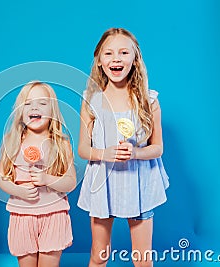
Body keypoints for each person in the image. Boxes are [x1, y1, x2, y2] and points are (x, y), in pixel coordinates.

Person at [77, 28, 169, 267]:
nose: (116, 58)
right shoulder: (91, 100)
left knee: (142, 257)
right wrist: (104, 153)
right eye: (108, 53)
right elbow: (83, 150)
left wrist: (136, 153)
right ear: (99, 61)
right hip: (102, 185)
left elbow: (157, 148)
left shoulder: (149, 100)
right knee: (99, 255)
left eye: (123, 52)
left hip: (139, 184)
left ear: (134, 59)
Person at [0, 81, 76, 267]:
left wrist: (48, 179)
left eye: (42, 103)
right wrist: (19, 191)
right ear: (20, 112)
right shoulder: (12, 142)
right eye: (28, 103)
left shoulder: (61, 143)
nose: (34, 107)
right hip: (22, 215)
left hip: (53, 213)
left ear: (52, 111)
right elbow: (0, 178)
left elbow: (70, 182)